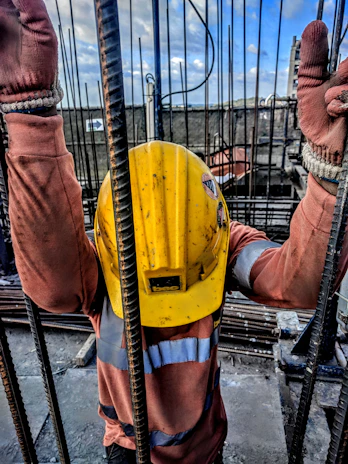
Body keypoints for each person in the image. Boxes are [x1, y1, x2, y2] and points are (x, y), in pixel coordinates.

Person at [0, 1, 347, 463]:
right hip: (127, 447)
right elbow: (50, 283)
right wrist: (31, 118)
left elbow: (301, 282)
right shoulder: (101, 267)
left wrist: (327, 176)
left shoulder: (221, 243)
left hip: (205, 449)